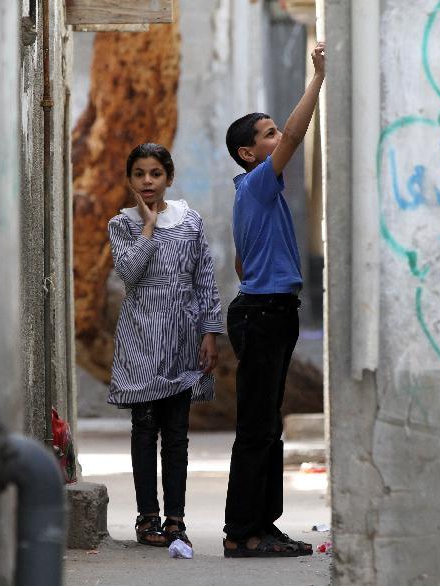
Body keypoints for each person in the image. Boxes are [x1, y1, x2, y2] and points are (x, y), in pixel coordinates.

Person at [222, 42, 326, 558]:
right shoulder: (260, 184)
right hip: (263, 313)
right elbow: (297, 133)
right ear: (250, 153)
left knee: (268, 426)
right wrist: (319, 80)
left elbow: (244, 264)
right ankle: (242, 532)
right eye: (266, 136)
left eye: (272, 132)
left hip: (268, 309)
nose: (277, 139)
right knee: (256, 428)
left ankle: (264, 524)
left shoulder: (254, 195)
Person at [107, 142, 223, 549]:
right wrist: (149, 227)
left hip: (183, 336)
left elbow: (204, 277)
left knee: (176, 432)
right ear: (130, 179)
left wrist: (210, 331)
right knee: (144, 427)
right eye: (139, 174)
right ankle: (147, 517)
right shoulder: (121, 225)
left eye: (155, 174)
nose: (147, 182)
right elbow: (130, 273)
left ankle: (175, 518)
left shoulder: (190, 221)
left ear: (168, 178)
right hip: (141, 336)